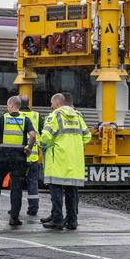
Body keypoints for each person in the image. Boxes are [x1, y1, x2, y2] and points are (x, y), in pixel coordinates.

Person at [38, 92, 92, 231]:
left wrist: (46, 145)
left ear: (57, 103)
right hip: (74, 161)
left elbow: (45, 137)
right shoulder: (78, 116)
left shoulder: (55, 115)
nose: (51, 106)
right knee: (71, 192)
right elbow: (87, 137)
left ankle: (57, 220)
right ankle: (72, 221)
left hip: (58, 161)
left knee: (56, 192)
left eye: (51, 103)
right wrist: (73, 145)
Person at [0, 95, 36, 228]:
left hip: (4, 157)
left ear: (11, 106)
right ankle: (14, 218)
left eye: (7, 105)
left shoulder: (3, 118)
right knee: (16, 188)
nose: (7, 108)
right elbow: (33, 135)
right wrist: (29, 148)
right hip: (19, 158)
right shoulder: (25, 119)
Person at [20, 98, 43, 218]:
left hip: (18, 156)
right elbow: (43, 133)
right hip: (33, 156)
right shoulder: (37, 116)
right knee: (33, 182)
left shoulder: (11, 115)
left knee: (16, 182)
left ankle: (15, 207)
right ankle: (33, 208)